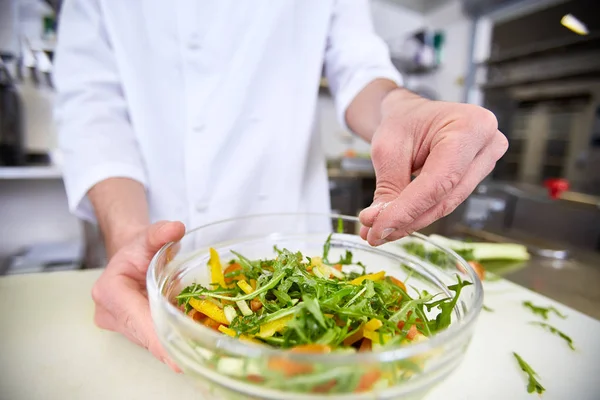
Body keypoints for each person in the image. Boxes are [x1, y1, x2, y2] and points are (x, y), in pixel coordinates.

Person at [53, 0, 507, 371]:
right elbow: (92, 109)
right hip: (158, 250)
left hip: (300, 251)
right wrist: (128, 237)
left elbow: (358, 66)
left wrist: (402, 107)